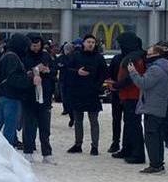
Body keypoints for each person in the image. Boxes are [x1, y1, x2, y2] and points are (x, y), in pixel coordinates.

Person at [127, 42, 168, 174]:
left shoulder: (156, 69)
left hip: (152, 106)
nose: (146, 56)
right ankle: (158, 162)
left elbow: (143, 83)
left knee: (151, 136)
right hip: (158, 106)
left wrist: (133, 72)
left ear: (157, 55)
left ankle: (155, 165)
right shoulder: (164, 67)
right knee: (157, 135)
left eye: (149, 54)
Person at [62, 35, 108, 155]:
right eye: (88, 42)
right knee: (78, 120)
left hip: (92, 92)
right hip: (78, 91)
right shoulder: (76, 56)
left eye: (93, 42)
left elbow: (104, 74)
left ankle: (95, 146)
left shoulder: (99, 57)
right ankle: (78, 144)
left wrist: (97, 86)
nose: (91, 44)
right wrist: (77, 72)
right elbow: (67, 70)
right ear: (83, 43)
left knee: (94, 120)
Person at [20, 33, 56, 164]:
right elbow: (22, 73)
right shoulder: (24, 56)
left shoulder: (46, 56)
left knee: (45, 127)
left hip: (44, 96)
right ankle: (28, 151)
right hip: (29, 96)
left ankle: (47, 153)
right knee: (29, 126)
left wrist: (47, 70)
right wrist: (34, 71)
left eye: (38, 45)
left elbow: (54, 71)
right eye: (33, 45)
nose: (35, 48)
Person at [112, 32, 147, 164]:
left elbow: (133, 77)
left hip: (133, 95)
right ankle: (127, 149)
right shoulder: (134, 55)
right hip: (128, 94)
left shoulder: (136, 57)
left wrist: (118, 85)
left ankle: (138, 154)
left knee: (134, 125)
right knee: (129, 123)